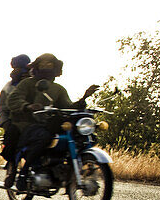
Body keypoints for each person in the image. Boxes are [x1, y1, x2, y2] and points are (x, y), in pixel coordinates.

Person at [5, 53, 99, 190]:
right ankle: (23, 173)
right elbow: (13, 99)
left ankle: (64, 168)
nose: (46, 68)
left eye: (50, 65)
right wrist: (27, 106)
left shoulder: (58, 89)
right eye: (43, 65)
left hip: (47, 123)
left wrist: (84, 97)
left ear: (56, 68)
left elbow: (67, 107)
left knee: (76, 136)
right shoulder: (27, 83)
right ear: (36, 67)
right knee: (43, 137)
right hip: (26, 123)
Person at [0, 54, 31, 189]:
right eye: (18, 68)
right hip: (15, 121)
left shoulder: (36, 83)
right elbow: (1, 108)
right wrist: (6, 123)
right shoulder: (9, 87)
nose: (21, 72)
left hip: (36, 120)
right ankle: (13, 170)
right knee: (14, 136)